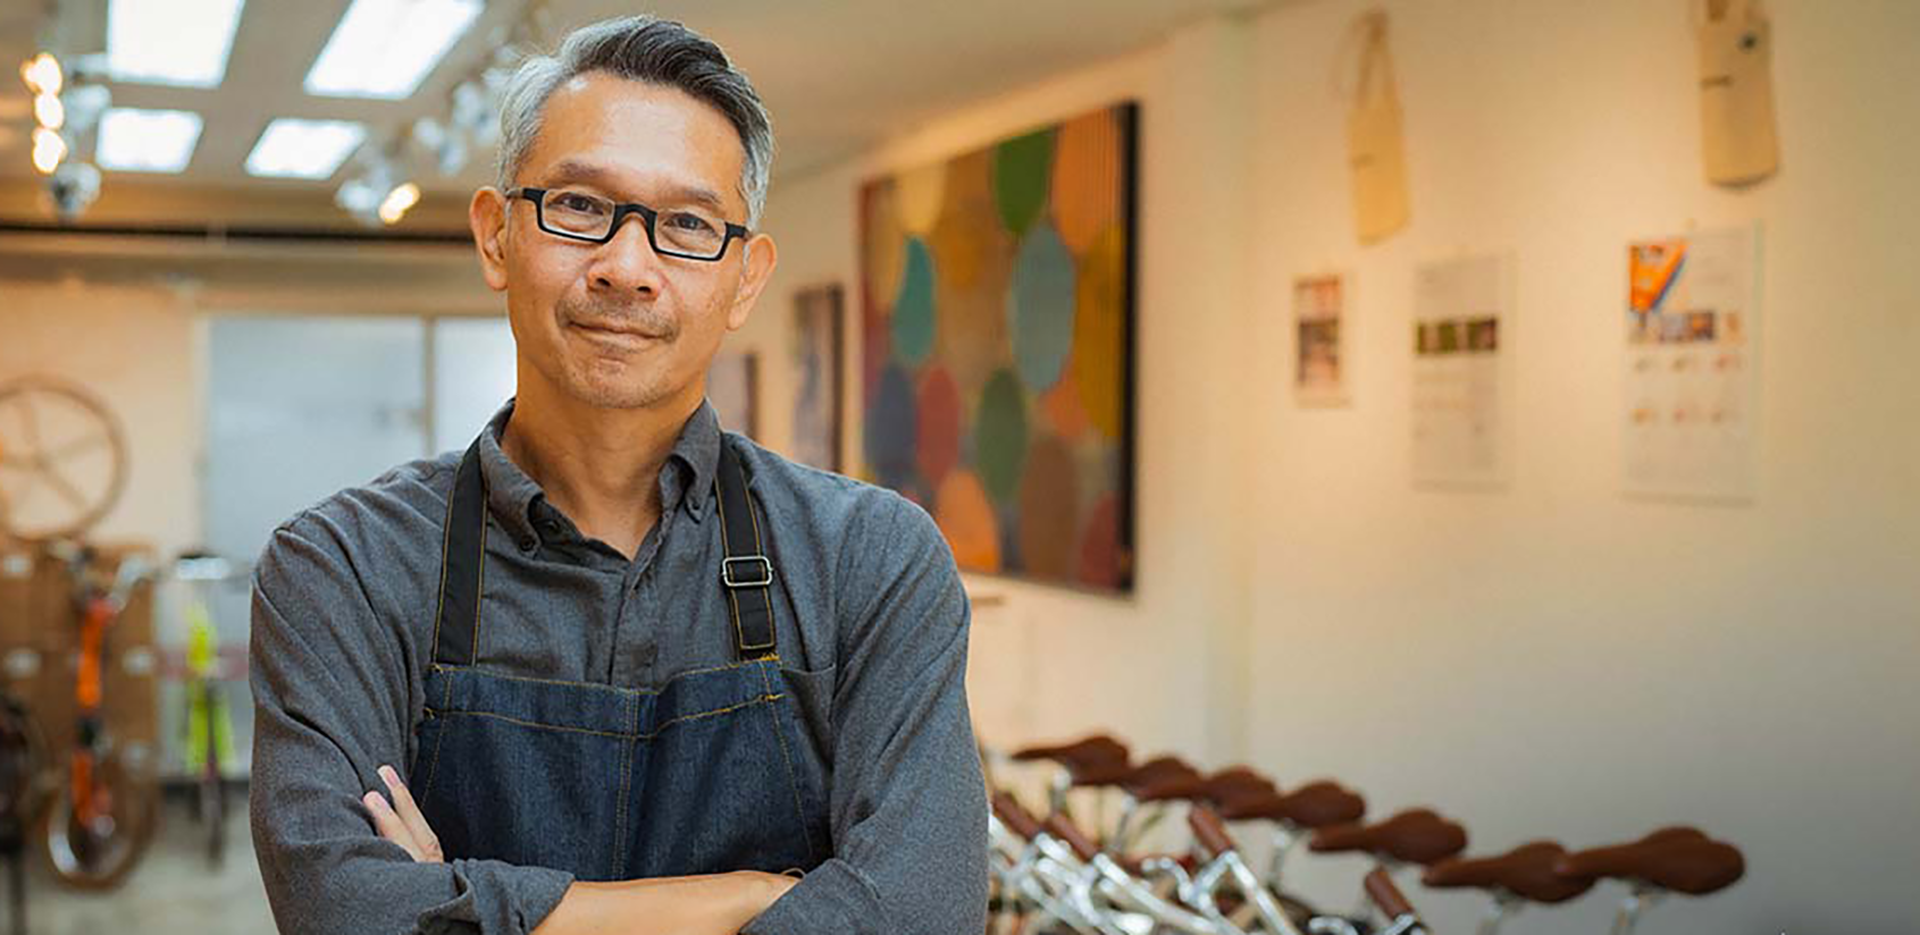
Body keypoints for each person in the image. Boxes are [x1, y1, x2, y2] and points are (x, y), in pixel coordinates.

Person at [247, 16, 987, 935]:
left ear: (744, 279)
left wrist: (461, 900)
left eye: (684, 224)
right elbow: (342, 912)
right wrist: (756, 897)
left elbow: (921, 914)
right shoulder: (343, 568)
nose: (627, 267)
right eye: (581, 207)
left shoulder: (871, 561)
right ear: (496, 237)